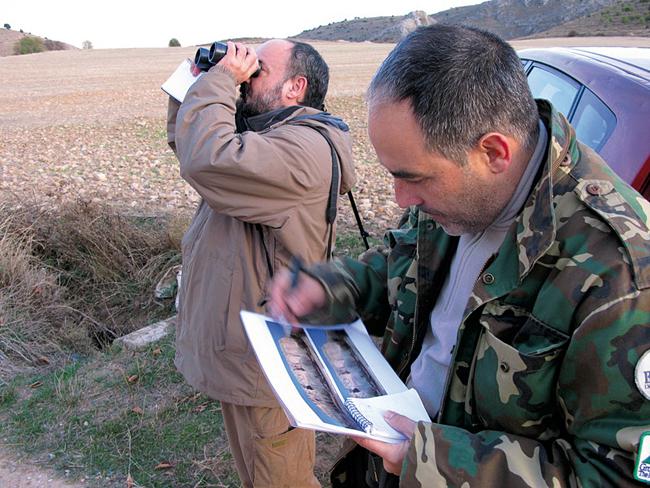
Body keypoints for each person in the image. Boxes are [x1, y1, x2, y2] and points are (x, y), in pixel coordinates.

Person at [269, 24, 650, 487]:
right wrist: (330, 288)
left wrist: (434, 461)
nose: (401, 198)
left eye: (414, 178)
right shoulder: (458, 193)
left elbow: (614, 475)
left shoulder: (621, 269)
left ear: (493, 152)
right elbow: (398, 267)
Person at [166, 38, 356, 487]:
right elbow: (190, 141)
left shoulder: (301, 149)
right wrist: (195, 79)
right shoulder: (269, 135)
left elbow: (205, 158)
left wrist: (221, 81)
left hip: (269, 358)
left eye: (259, 68)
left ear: (296, 87)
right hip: (249, 349)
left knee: (279, 477)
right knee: (260, 472)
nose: (246, 73)